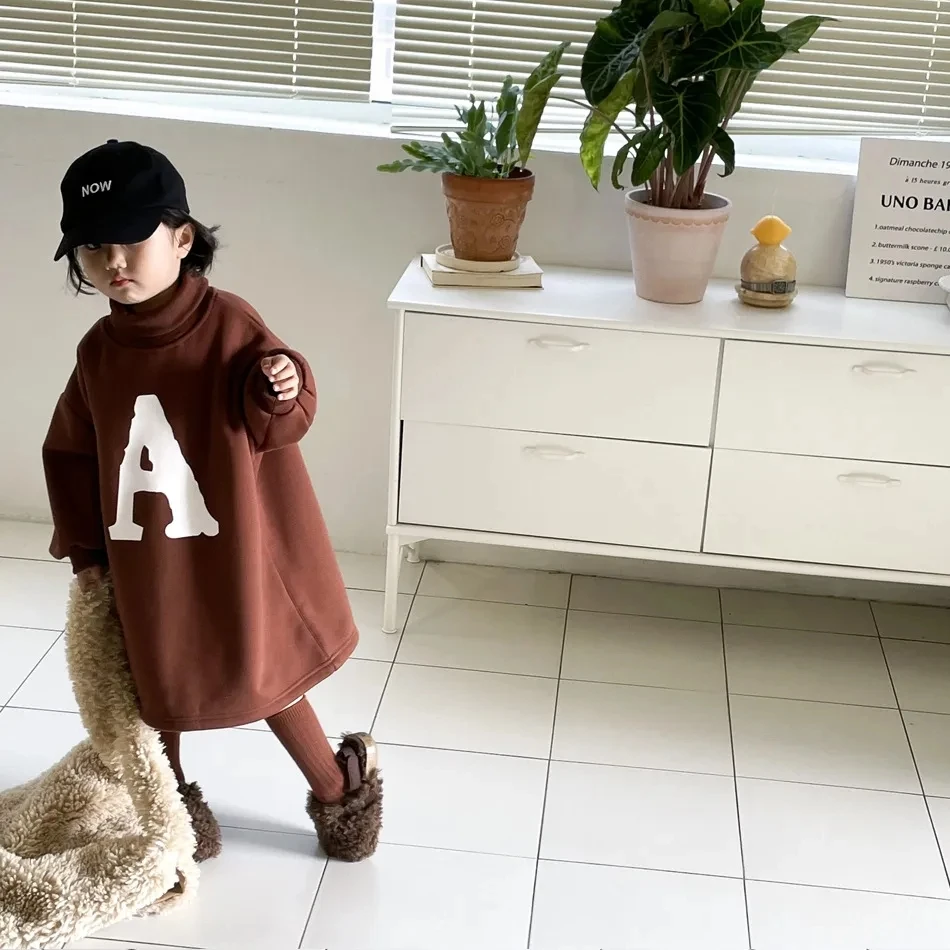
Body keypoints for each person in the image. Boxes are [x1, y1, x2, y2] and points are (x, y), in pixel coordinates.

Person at [42, 139, 382, 864]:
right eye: (92, 247)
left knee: (261, 670)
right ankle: (173, 810)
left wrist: (280, 383)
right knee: (156, 680)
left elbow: (280, 415)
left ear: (182, 238)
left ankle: (336, 787)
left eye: (131, 239)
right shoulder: (99, 352)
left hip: (236, 546)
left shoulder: (228, 323)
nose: (114, 263)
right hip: (148, 556)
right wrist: (87, 554)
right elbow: (70, 448)